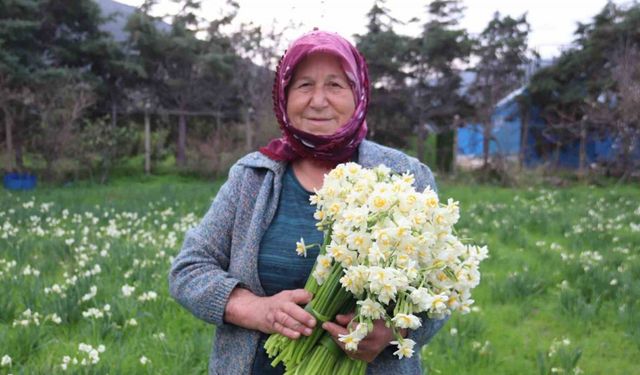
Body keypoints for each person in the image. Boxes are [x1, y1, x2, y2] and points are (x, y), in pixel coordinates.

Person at [169, 30, 447, 375]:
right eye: (304, 86)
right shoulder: (252, 177)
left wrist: (394, 332)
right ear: (284, 97)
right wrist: (255, 309)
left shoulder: (404, 176)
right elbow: (189, 269)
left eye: (335, 85)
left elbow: (439, 293)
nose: (318, 101)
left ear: (358, 94)